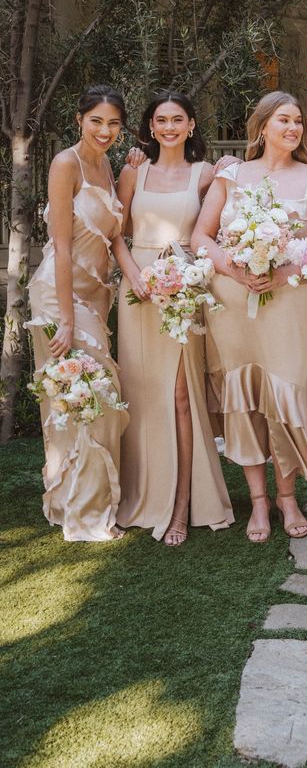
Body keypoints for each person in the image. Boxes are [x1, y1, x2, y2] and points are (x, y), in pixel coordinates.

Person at [192, 91, 307, 543]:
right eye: (283, 121)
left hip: (291, 302)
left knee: (284, 397)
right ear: (262, 126)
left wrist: (285, 270)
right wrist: (234, 268)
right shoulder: (231, 175)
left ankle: (287, 497)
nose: (293, 129)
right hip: (233, 303)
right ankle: (257, 501)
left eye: (298, 122)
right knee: (244, 399)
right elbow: (202, 234)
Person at [115, 92, 234, 545]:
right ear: (150, 126)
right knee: (141, 392)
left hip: (184, 289)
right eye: (160, 120)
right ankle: (144, 495)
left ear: (190, 125)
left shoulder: (205, 174)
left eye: (176, 120)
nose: (168, 127)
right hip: (137, 292)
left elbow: (216, 225)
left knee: (182, 395)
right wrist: (135, 278)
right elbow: (117, 234)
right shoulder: (132, 171)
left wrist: (229, 171)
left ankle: (183, 504)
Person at [26, 85, 130, 541]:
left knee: (90, 397)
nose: (105, 131)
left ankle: (88, 501)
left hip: (96, 296)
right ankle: (84, 514)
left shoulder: (107, 166)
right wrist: (66, 319)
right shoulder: (65, 163)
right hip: (58, 294)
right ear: (79, 120)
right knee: (87, 394)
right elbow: (63, 248)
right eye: (96, 121)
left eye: (113, 123)